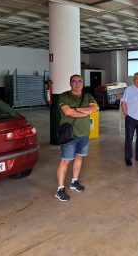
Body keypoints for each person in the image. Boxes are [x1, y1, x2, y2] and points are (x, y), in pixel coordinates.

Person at [55, 74, 98, 202]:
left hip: (84, 134)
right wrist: (86, 111)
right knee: (65, 161)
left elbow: (94, 108)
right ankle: (60, 189)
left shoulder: (88, 96)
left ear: (82, 83)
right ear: (70, 83)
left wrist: (78, 109)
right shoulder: (64, 96)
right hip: (69, 135)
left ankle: (74, 182)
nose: (77, 83)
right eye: (74, 81)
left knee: (79, 157)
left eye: (79, 81)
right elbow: (68, 112)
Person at [121, 72, 138, 166]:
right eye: (137, 78)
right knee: (129, 138)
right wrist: (125, 114)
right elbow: (123, 102)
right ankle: (128, 158)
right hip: (131, 118)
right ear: (134, 79)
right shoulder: (129, 89)